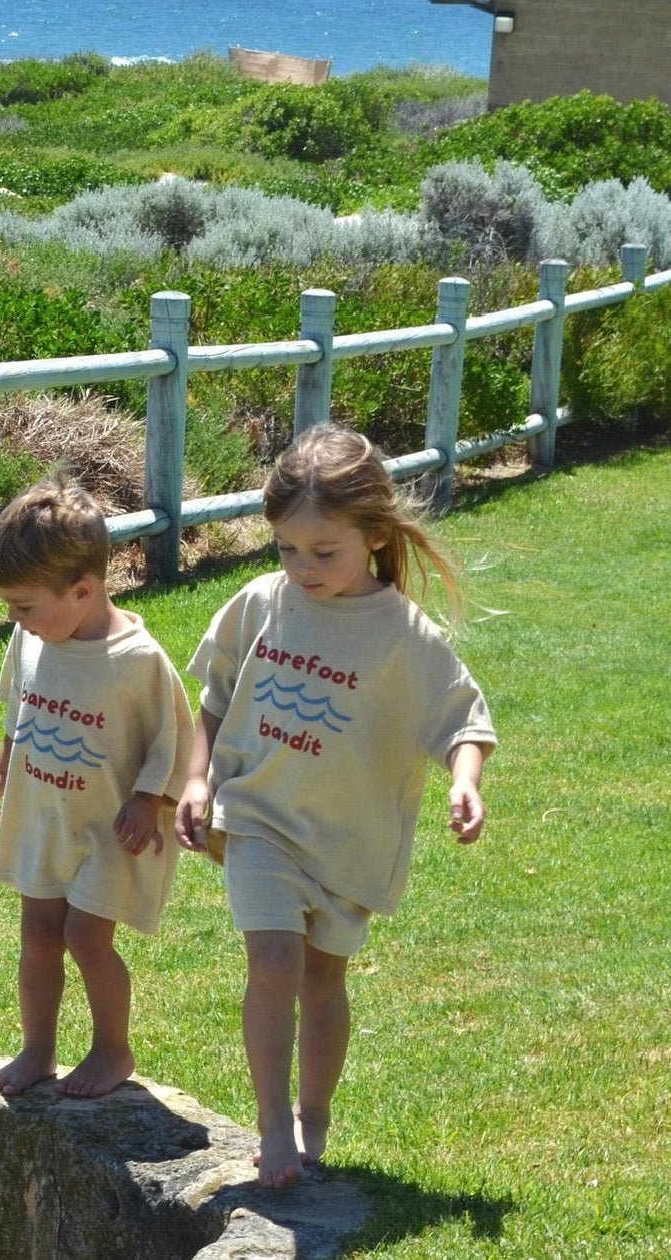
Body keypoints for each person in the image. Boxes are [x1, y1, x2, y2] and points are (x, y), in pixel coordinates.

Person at [175, 424, 496, 1188]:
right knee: (274, 962)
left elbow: (464, 721)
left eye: (324, 551)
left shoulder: (403, 636)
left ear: (374, 534)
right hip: (258, 819)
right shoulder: (259, 603)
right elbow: (214, 700)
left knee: (322, 978)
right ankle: (269, 1128)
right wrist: (195, 779)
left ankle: (310, 1117)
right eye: (287, 549)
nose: (302, 567)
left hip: (347, 840)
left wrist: (464, 779)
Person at [0, 474, 194, 1099]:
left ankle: (111, 1050)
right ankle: (38, 1049)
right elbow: (20, 713)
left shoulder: (138, 660)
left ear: (83, 590)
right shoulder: (33, 638)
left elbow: (171, 739)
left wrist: (149, 800)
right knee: (39, 935)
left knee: (85, 937)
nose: (15, 619)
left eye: (24, 605)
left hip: (108, 830)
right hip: (45, 819)